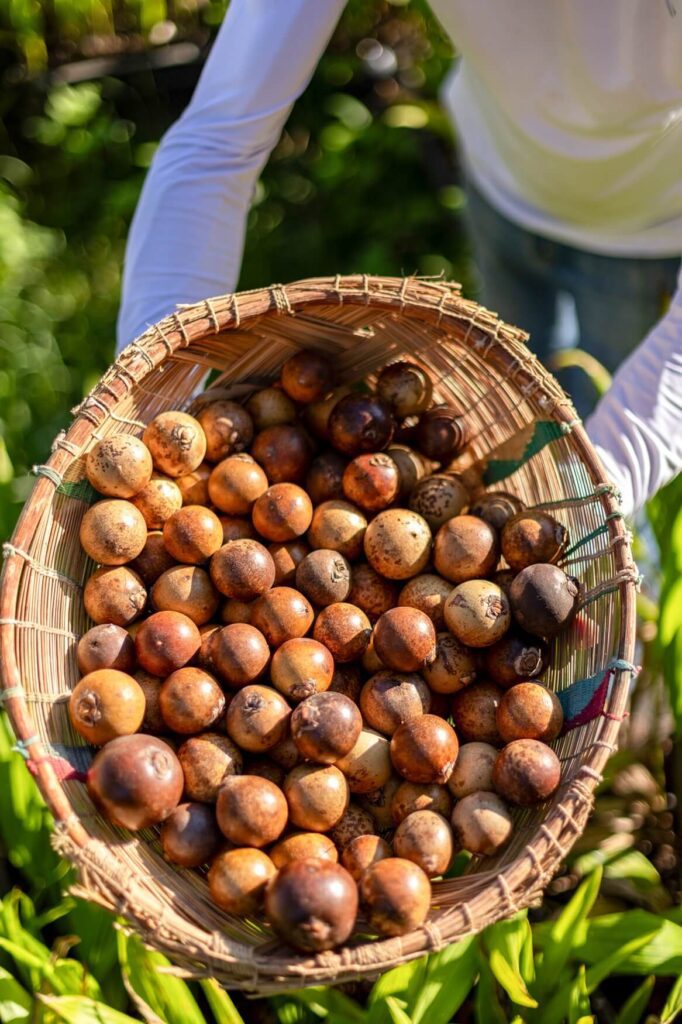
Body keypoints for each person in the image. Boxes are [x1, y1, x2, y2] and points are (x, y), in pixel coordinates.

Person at [117, 1, 682, 519]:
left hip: (648, 230)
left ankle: (635, 561)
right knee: (520, 388)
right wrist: (151, 403)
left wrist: (604, 491)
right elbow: (217, 140)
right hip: (500, 179)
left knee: (599, 410)